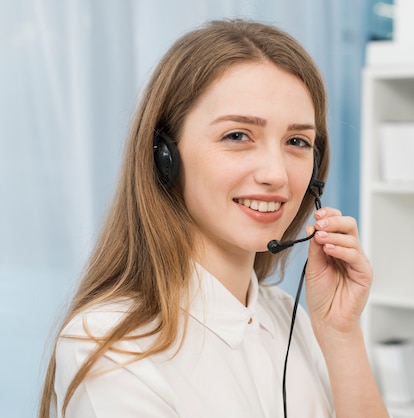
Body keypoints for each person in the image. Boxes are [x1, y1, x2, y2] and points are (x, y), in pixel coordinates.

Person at [38, 19, 388, 418]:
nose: (276, 174)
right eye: (238, 136)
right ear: (164, 156)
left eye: (297, 142)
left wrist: (341, 335)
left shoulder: (287, 318)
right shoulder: (110, 346)